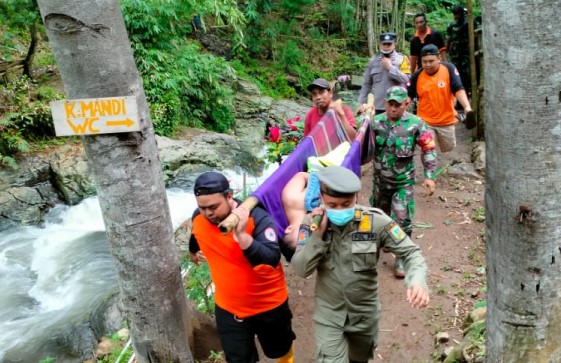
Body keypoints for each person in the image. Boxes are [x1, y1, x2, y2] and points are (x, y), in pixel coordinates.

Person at [291, 165, 430, 363]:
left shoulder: (376, 222)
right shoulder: (312, 223)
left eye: (346, 203)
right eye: (332, 204)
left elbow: (410, 252)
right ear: (322, 198)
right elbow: (301, 269)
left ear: (356, 196)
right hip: (330, 315)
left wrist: (417, 281)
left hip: (364, 315)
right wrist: (318, 236)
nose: (339, 210)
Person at [189, 171, 295, 363]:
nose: (208, 213)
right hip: (229, 309)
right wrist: (193, 252)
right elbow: (196, 235)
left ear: (229, 196)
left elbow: (271, 258)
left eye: (213, 207)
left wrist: (243, 237)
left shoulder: (258, 218)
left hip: (269, 304)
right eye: (202, 207)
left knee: (280, 351)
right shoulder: (199, 218)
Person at [371, 86, 436, 277]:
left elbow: (429, 148)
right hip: (380, 182)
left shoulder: (416, 124)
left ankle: (401, 256)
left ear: (406, 103)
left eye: (397, 105)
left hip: (403, 182)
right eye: (390, 104)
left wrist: (430, 176)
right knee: (378, 217)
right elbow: (356, 137)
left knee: (402, 219)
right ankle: (375, 250)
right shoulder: (375, 122)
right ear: (385, 103)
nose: (393, 108)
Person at [408, 44, 476, 152]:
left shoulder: (448, 69)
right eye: (424, 62)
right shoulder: (417, 75)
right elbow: (408, 96)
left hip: (446, 120)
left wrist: (467, 107)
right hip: (425, 121)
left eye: (431, 61)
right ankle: (429, 168)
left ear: (439, 58)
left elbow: (458, 89)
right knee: (427, 150)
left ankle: (460, 115)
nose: (428, 65)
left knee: (449, 148)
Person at [357, 32, 411, 115]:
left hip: (397, 106)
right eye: (384, 44)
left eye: (389, 44)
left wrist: (390, 68)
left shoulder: (402, 59)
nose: (386, 46)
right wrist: (361, 103)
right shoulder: (373, 61)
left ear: (394, 44)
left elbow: (407, 80)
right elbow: (366, 84)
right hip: (377, 107)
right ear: (380, 45)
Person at [447, 5, 471, 97]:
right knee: (456, 76)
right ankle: (459, 98)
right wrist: (447, 51)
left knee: (466, 77)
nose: (456, 16)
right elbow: (448, 39)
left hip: (466, 55)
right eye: (454, 14)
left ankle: (467, 96)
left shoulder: (468, 24)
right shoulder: (451, 25)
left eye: (457, 14)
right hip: (454, 55)